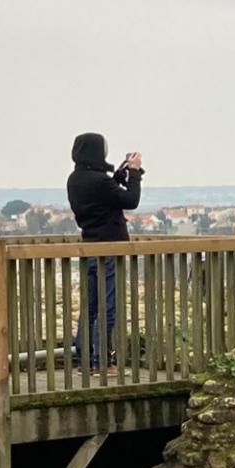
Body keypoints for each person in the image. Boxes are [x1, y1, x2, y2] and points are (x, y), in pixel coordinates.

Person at [66, 133, 142, 375]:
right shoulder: (99, 181)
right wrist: (135, 174)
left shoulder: (75, 179)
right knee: (107, 306)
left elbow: (103, 199)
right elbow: (130, 200)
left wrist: (117, 177)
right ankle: (101, 362)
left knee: (90, 307)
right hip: (109, 248)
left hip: (90, 246)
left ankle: (85, 361)